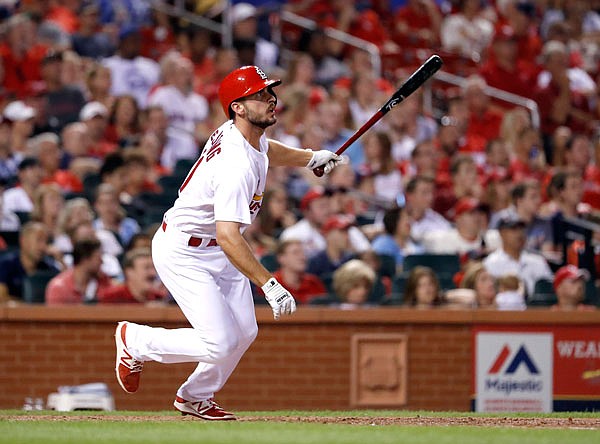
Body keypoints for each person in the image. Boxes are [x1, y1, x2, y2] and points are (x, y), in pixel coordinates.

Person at [113, 65, 342, 420]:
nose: (271, 99)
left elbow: (267, 151)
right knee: (219, 341)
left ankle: (194, 397)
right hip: (184, 251)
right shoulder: (235, 165)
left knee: (245, 331)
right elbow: (229, 235)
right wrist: (268, 283)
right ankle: (136, 341)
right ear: (237, 107)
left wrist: (309, 157)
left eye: (270, 92)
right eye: (260, 94)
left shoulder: (246, 135)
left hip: (214, 247)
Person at [483, 216, 553, 297]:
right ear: (502, 233)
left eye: (521, 229)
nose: (519, 234)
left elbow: (549, 291)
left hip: (535, 308)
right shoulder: (490, 263)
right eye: (513, 229)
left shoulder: (538, 261)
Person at [0, 222, 60, 303]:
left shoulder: (48, 267)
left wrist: (61, 260)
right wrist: (27, 307)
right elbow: (2, 298)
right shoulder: (5, 265)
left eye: (46, 242)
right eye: (39, 240)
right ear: (23, 241)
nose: (43, 246)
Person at [45, 238, 114, 305]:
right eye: (98, 258)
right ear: (85, 260)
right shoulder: (59, 288)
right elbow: (56, 316)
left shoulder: (103, 281)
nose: (102, 262)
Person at [266, 240, 327, 305]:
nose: (302, 257)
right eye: (295, 253)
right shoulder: (270, 284)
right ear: (281, 258)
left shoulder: (314, 283)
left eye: (303, 253)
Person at [100, 248, 167, 304]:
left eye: (153, 268)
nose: (153, 273)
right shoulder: (110, 298)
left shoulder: (160, 299)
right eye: (146, 268)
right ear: (129, 272)